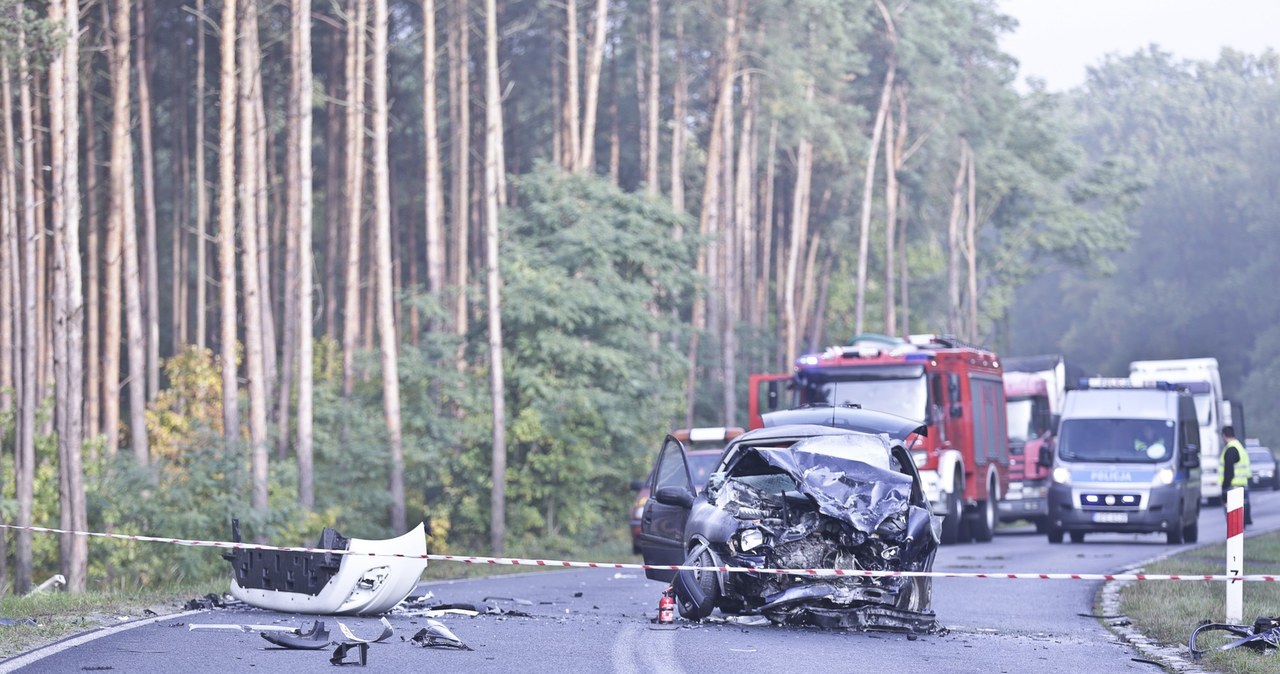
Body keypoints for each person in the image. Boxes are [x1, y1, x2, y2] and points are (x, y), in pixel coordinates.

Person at [1220, 425, 1253, 526]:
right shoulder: (1240, 447)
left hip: (1233, 486)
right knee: (1240, 516)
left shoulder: (1231, 449)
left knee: (1234, 521)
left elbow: (1229, 470)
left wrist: (1225, 486)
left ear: (1224, 436)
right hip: (1242, 484)